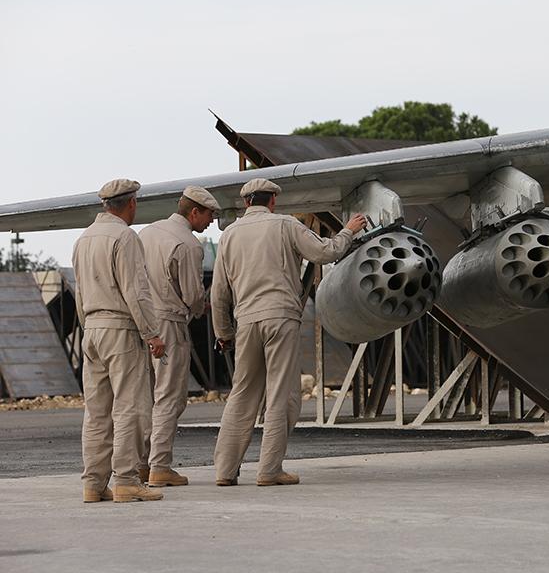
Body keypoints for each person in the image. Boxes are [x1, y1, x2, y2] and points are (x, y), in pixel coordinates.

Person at [211, 178, 366, 486]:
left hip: (246, 321)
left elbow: (218, 293)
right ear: (272, 201)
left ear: (246, 203)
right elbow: (326, 252)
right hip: (280, 317)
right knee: (281, 394)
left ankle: (225, 471)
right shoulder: (285, 225)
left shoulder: (229, 235)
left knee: (242, 394)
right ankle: (269, 470)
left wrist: (224, 332)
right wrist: (350, 229)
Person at [73, 179, 166, 503]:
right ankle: (126, 479)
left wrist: (89, 328)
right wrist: (152, 333)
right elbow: (136, 291)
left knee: (97, 412)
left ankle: (94, 484)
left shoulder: (83, 239)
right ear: (131, 204)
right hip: (120, 329)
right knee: (130, 407)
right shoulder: (125, 237)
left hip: (93, 330)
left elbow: (80, 292)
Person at [137, 186, 222, 487]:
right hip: (169, 325)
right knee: (170, 397)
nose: (212, 221)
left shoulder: (146, 233)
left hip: (142, 323)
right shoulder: (188, 244)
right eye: (210, 215)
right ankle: (160, 466)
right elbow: (192, 296)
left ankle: (141, 465)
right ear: (195, 211)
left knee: (145, 397)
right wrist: (204, 306)